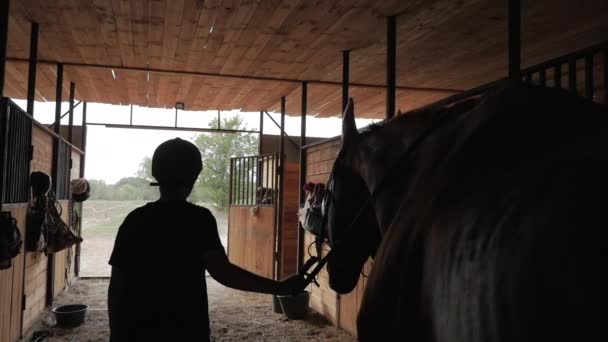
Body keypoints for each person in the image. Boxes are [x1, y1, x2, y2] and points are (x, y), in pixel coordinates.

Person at [108, 138, 306, 341]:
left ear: (157, 174)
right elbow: (224, 273)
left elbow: (116, 286)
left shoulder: (134, 220)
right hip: (187, 329)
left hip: (136, 330)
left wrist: (116, 333)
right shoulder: (198, 220)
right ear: (193, 177)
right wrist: (279, 287)